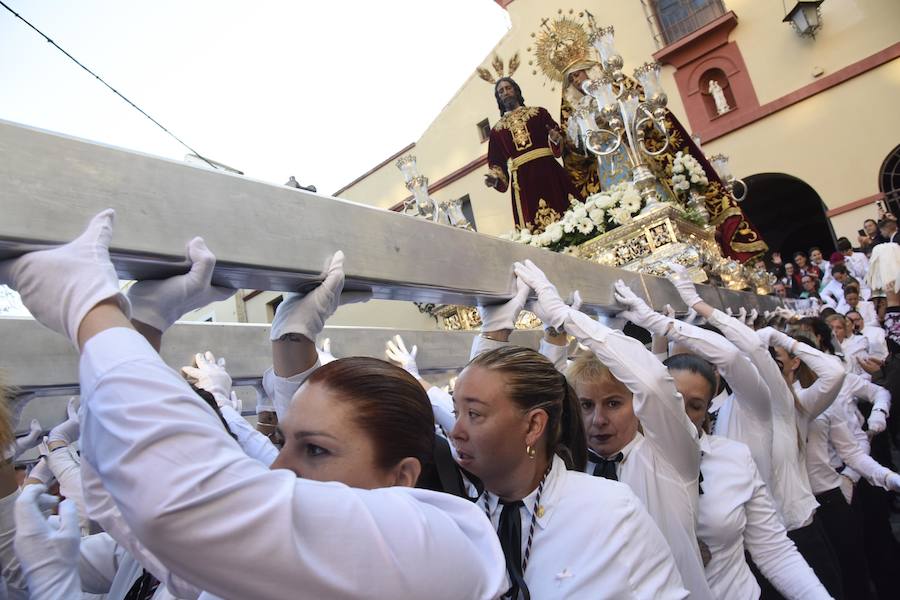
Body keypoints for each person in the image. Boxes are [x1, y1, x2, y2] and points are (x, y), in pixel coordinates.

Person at [0, 210, 509, 600]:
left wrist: (89, 309)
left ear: (401, 477)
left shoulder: (434, 545)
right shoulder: (293, 555)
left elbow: (179, 504)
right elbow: (127, 500)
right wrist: (145, 324)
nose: (277, 467)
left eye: (315, 451)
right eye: (285, 440)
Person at [512, 263, 711, 599]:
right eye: (587, 406)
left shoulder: (670, 457)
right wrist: (554, 334)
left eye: (614, 404)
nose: (598, 420)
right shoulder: (565, 467)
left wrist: (567, 317)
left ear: (637, 406)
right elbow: (549, 394)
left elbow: (651, 383)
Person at [451, 342, 689, 599]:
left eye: (474, 414)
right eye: (456, 412)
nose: (455, 432)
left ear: (533, 426)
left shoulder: (611, 512)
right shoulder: (457, 522)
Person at [667, 268, 847, 599]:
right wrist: (666, 334)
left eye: (773, 364)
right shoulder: (717, 409)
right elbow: (667, 390)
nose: (762, 369)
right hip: (746, 546)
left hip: (796, 538)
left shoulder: (770, 404)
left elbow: (743, 356)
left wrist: (781, 339)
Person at [661, 353, 830, 599]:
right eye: (672, 400)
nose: (680, 414)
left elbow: (773, 549)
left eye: (694, 406)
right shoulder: (620, 463)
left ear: (707, 410)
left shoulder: (734, 457)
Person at [484, 77, 580, 229]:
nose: (505, 92)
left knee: (568, 215)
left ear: (515, 90)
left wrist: (555, 139)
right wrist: (495, 178)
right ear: (498, 98)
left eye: (508, 88)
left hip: (549, 172)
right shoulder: (497, 131)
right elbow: (496, 162)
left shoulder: (538, 113)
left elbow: (556, 135)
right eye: (501, 91)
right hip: (523, 182)